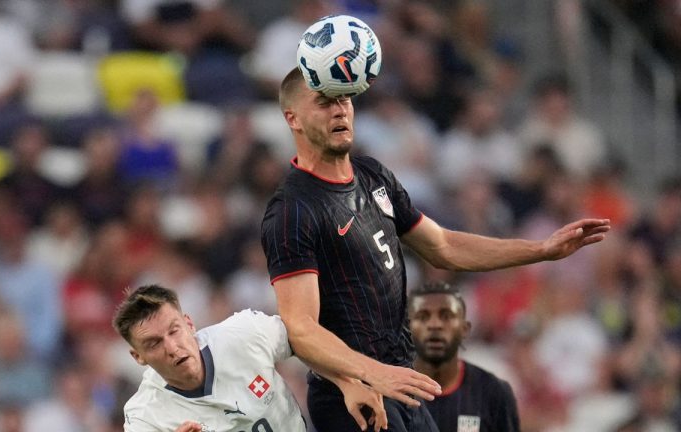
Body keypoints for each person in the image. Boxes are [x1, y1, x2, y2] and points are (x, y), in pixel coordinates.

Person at [260, 67, 610, 431]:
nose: (340, 110)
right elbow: (300, 328)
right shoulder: (292, 210)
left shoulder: (373, 175)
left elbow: (443, 245)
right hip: (353, 393)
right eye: (324, 102)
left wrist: (541, 249)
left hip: (402, 383)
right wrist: (364, 376)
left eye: (344, 98)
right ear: (293, 118)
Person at [113, 284, 388, 432]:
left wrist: (346, 380)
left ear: (189, 324)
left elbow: (304, 338)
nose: (172, 347)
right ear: (138, 357)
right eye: (154, 343)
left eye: (174, 331)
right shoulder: (144, 417)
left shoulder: (243, 334)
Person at [409, 281, 520, 432]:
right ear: (406, 329)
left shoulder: (494, 392)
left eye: (446, 316)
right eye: (423, 317)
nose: (435, 325)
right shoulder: (391, 391)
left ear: (465, 329)